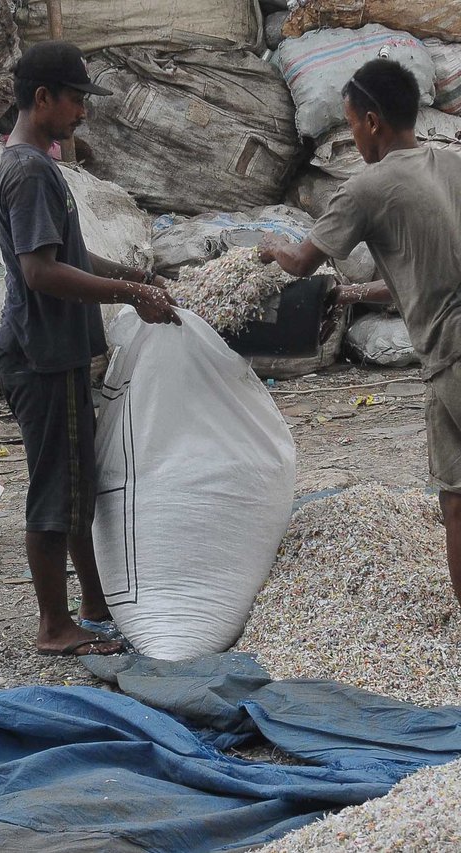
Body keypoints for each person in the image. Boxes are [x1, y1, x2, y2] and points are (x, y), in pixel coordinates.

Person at [0, 40, 181, 657]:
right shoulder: (27, 173)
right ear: (42, 98)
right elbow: (41, 271)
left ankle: (95, 602)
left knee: (78, 480)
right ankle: (54, 626)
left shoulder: (41, 167)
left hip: (58, 349)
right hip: (41, 353)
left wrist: (136, 278)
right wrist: (125, 291)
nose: (83, 113)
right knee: (55, 489)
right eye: (76, 100)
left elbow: (68, 255)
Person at [258, 57, 461, 609]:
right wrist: (348, 294)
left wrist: (266, 251)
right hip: (443, 357)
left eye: (349, 123)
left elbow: (301, 262)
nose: (351, 134)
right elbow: (425, 269)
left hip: (452, 352)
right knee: (453, 497)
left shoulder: (368, 186)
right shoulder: (450, 165)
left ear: (371, 121)